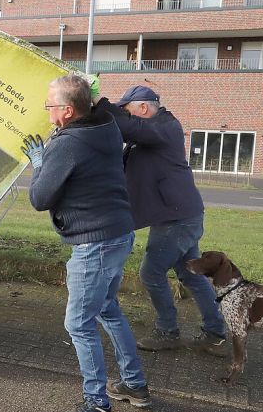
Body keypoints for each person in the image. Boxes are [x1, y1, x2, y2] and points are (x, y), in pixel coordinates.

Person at [24, 74, 150, 412]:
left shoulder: (68, 144)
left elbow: (39, 198)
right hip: (118, 233)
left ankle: (97, 405)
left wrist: (39, 162)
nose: (46, 111)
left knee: (79, 323)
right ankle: (134, 384)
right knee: (107, 309)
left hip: (95, 243)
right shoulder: (106, 125)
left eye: (49, 105)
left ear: (67, 111)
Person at [97, 85, 227, 354]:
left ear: (143, 107)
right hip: (179, 215)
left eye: (127, 110)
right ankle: (216, 333)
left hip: (177, 218)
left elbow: (129, 127)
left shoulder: (165, 126)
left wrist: (98, 102)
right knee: (190, 275)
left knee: (151, 272)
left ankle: (168, 332)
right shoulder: (151, 132)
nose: (125, 116)